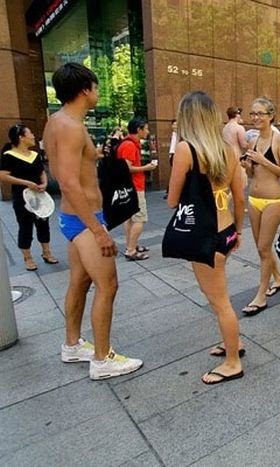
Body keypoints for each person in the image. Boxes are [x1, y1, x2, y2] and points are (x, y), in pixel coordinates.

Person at [44, 62, 142, 380]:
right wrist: (99, 231)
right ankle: (103, 358)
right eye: (97, 87)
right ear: (85, 89)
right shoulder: (71, 126)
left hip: (73, 217)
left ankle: (72, 345)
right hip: (85, 219)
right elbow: (69, 182)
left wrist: (94, 155)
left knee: (81, 282)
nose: (98, 93)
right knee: (107, 285)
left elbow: (65, 167)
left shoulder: (57, 122)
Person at [168, 91, 246, 384]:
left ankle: (232, 362)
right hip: (225, 231)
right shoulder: (228, 149)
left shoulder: (187, 150)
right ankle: (232, 343)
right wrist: (238, 231)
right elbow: (240, 197)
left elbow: (172, 200)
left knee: (219, 301)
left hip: (202, 235)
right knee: (218, 296)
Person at [239, 97, 280, 315]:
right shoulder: (252, 141)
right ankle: (278, 279)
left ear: (271, 116)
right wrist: (248, 166)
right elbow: (253, 173)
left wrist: (263, 161)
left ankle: (261, 295)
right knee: (263, 247)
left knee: (262, 247)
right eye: (253, 114)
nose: (255, 118)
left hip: (272, 200)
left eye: (260, 113)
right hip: (254, 198)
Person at [0, 124, 59, 270]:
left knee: (43, 224)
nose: (33, 136)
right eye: (30, 133)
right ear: (21, 137)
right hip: (22, 197)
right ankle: (28, 258)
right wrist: (26, 183)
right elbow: (3, 176)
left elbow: (41, 171)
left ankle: (46, 252)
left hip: (39, 195)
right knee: (25, 227)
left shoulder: (34, 155)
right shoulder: (9, 156)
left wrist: (44, 183)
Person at [117, 118, 157, 260]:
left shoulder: (127, 144)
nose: (147, 131)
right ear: (139, 129)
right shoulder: (129, 146)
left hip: (127, 187)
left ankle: (131, 245)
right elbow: (127, 168)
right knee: (140, 219)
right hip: (134, 186)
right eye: (145, 129)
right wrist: (146, 168)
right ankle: (131, 250)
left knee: (129, 219)